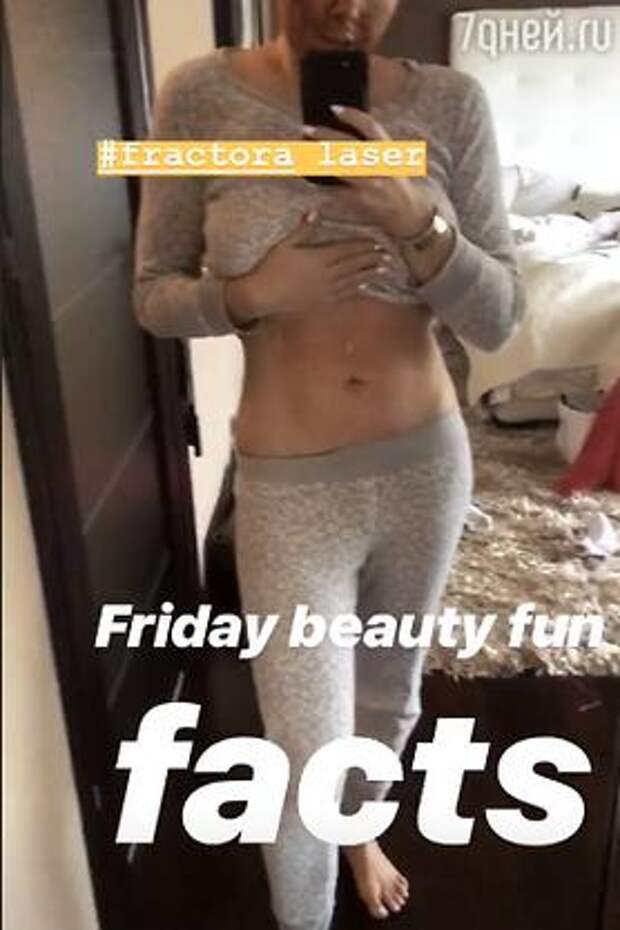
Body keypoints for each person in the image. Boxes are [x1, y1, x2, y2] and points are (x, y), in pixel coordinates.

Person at [133, 2, 526, 928]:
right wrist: (252, 293)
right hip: (290, 485)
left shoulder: (453, 104)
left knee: (388, 696)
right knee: (304, 748)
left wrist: (419, 221)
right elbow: (153, 296)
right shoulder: (200, 98)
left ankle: (361, 831)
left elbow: (501, 316)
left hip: (424, 464)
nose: (345, 5)